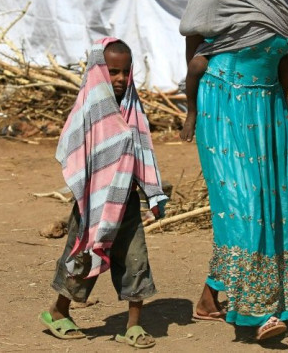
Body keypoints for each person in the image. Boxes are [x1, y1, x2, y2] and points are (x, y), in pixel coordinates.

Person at [179, 0, 288, 342]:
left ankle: (208, 300)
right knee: (243, 204)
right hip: (226, 101)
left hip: (268, 106)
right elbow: (193, 37)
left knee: (275, 204)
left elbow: (283, 53)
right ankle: (256, 313)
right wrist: (193, 105)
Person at [40, 38, 168, 349]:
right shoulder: (90, 108)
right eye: (113, 72)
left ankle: (133, 325)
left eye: (125, 72)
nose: (121, 79)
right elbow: (73, 146)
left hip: (127, 201)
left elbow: (143, 150)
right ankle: (58, 311)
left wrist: (153, 193)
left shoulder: (132, 108)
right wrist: (85, 188)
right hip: (92, 203)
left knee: (135, 260)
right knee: (83, 256)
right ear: (99, 71)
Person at [180, 0, 234, 142]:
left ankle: (287, 108)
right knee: (196, 67)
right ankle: (191, 111)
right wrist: (192, 60)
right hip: (210, 46)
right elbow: (191, 33)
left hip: (237, 44)